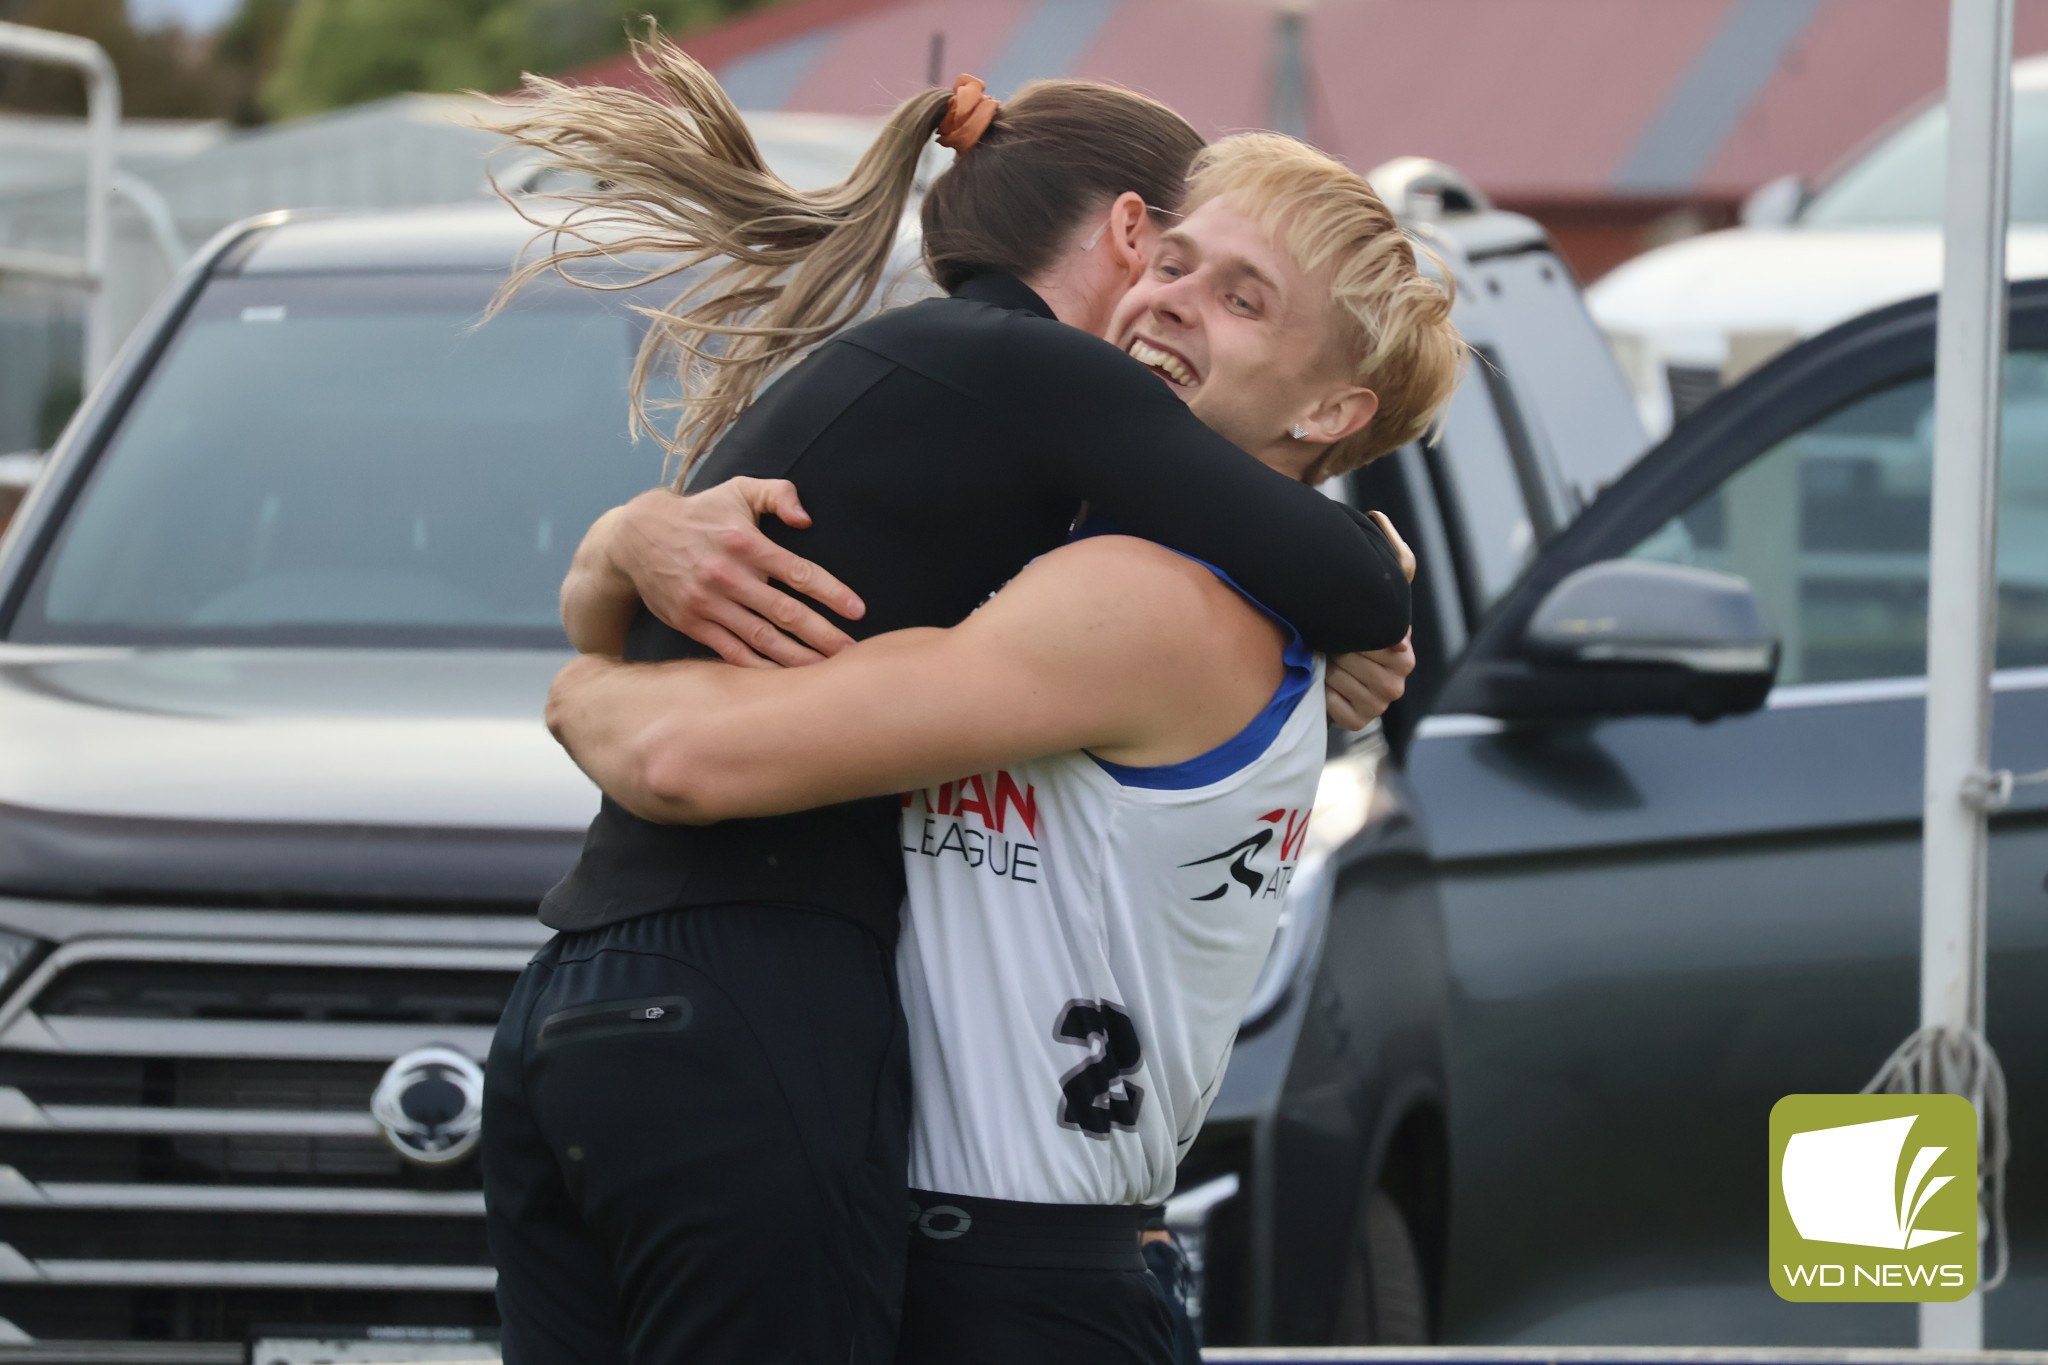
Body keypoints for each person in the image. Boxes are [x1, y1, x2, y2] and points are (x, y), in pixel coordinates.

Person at [479, 42, 1420, 1365]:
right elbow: (1330, 573)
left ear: (1332, 402)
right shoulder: (1051, 432)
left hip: (591, 997)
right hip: (756, 1015)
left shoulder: (1092, 544)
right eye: (1175, 263)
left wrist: (594, 641)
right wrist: (621, 554)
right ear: (1131, 236)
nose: (1175, 300)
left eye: (1243, 294)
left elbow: (686, 723)